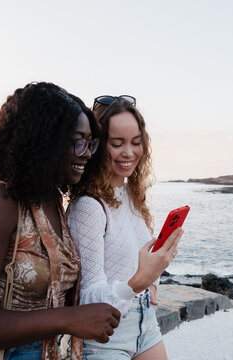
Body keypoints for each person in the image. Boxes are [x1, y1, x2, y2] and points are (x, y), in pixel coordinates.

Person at [0, 83, 121, 360]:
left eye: (91, 142)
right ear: (44, 141)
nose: (88, 153)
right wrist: (67, 319)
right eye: (78, 141)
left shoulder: (53, 200)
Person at [67, 95, 183, 360]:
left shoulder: (130, 193)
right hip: (106, 336)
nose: (129, 152)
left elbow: (132, 262)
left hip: (145, 320)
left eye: (136, 142)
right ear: (96, 146)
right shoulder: (89, 207)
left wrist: (150, 284)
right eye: (117, 143)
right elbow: (87, 299)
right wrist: (138, 281)